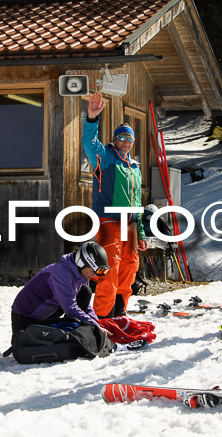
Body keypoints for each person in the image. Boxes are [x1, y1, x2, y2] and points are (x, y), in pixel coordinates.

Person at [82, 92, 147, 318]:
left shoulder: (134, 167)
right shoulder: (106, 157)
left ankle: (119, 312)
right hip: (108, 220)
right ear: (115, 139)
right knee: (110, 268)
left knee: (130, 268)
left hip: (129, 224)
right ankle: (102, 316)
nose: (127, 142)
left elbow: (137, 202)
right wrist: (92, 118)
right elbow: (89, 144)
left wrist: (141, 232)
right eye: (122, 138)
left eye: (130, 139)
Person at [10, 241, 112, 347]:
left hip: (47, 312)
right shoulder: (61, 273)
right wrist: (94, 325)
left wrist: (96, 322)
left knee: (85, 292)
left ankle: (72, 329)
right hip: (25, 316)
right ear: (81, 262)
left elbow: (84, 304)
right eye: (94, 270)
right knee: (23, 346)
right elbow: (70, 308)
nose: (94, 275)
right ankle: (69, 330)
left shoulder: (81, 274)